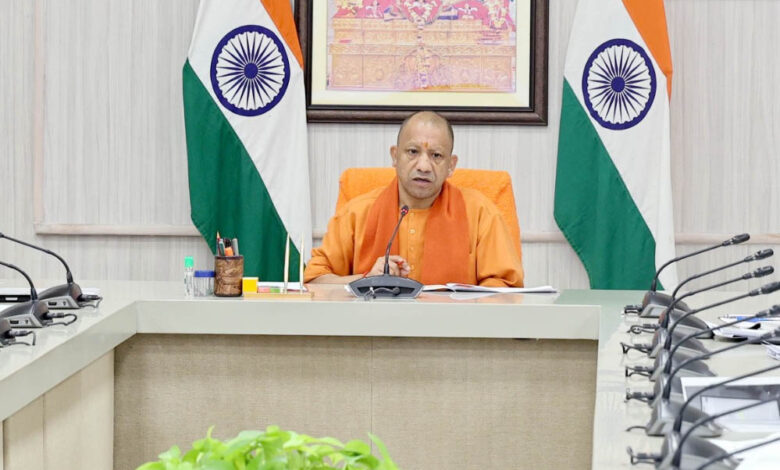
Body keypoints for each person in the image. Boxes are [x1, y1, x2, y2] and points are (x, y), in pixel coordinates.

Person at [304, 111, 524, 287]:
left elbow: (506, 288)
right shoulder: (357, 213)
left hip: (454, 328)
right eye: (412, 152)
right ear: (395, 156)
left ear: (451, 165)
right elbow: (314, 281)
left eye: (436, 155)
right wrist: (366, 280)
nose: (423, 166)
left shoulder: (480, 213)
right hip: (374, 327)